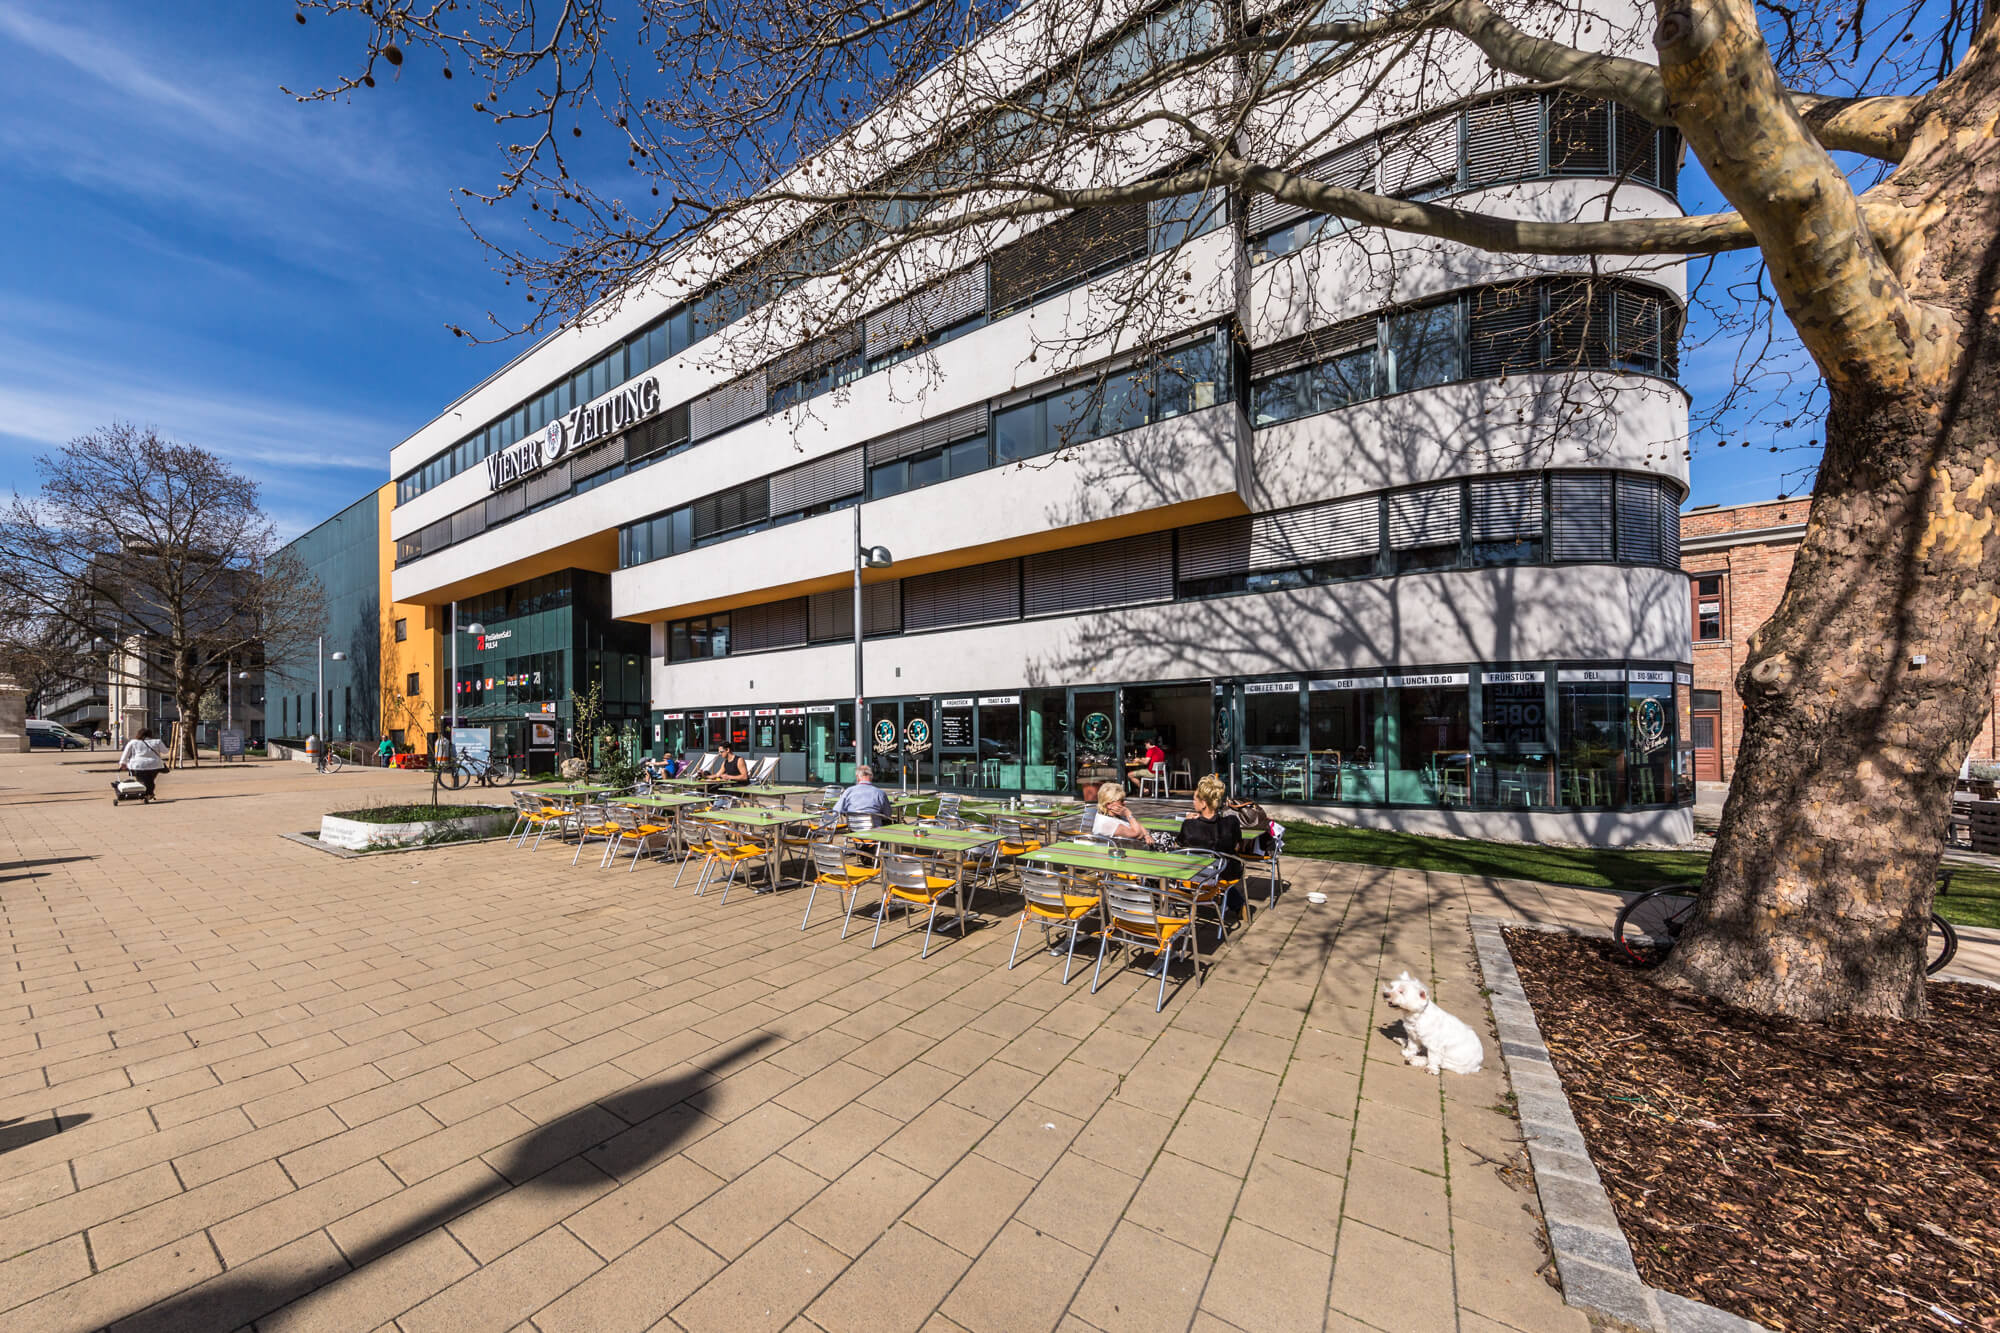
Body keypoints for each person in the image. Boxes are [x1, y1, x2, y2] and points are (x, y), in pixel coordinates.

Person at [1179, 773, 1247, 919]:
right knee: (1219, 872)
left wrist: (1188, 821)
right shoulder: (1231, 822)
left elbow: (1178, 848)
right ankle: (1237, 903)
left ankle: (1182, 901)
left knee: (1176, 869)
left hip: (1197, 874)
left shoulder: (1189, 825)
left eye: (1194, 799)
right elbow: (1238, 846)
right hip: (1227, 871)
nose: (1193, 802)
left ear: (1203, 803)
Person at [117, 728, 168, 802]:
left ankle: (145, 794)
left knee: (142, 780)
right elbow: (165, 751)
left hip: (137, 765)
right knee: (150, 780)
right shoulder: (157, 741)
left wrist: (122, 763)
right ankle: (148, 794)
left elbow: (126, 753)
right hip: (154, 765)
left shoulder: (133, 742)